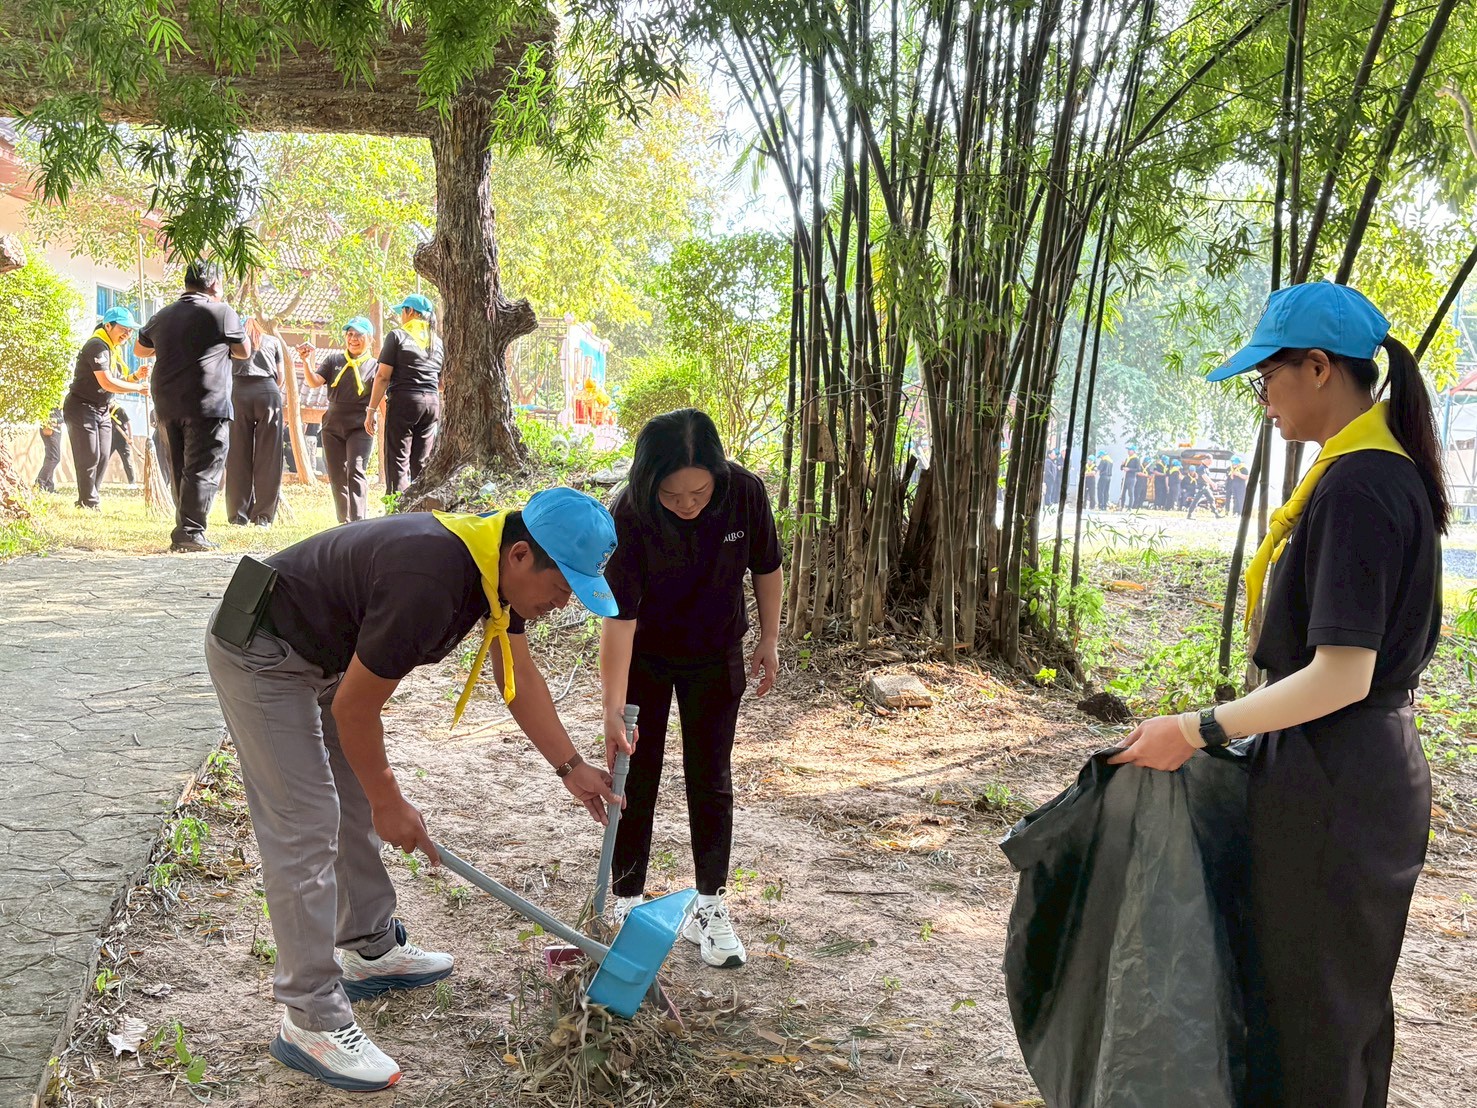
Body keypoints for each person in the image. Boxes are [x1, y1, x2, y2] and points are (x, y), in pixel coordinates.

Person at [1108, 281, 1446, 1108]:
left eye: (1266, 373)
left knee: (1312, 1022)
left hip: (1338, 778)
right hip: (1342, 768)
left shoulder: (1360, 487)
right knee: (1327, 1010)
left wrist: (1195, 729)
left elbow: (1341, 672)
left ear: (1320, 368)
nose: (1259, 393)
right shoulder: (1365, 473)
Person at [204, 487, 626, 1092]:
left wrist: (570, 767)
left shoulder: (487, 564)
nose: (564, 603)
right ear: (522, 556)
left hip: (319, 652)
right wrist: (389, 802)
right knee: (306, 825)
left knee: (346, 802)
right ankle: (310, 1016)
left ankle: (368, 948)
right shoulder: (431, 579)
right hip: (263, 652)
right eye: (563, 587)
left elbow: (518, 677)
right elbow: (356, 710)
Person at [598, 409, 783, 969]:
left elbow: (767, 568)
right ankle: (626, 900)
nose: (687, 504)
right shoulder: (628, 512)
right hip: (645, 656)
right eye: (673, 495)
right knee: (636, 772)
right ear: (649, 482)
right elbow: (618, 619)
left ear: (717, 476)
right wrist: (611, 708)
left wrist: (770, 639)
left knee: (711, 773)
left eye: (698, 491)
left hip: (715, 651)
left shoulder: (744, 493)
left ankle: (711, 904)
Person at [135, 260, 250, 552]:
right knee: (203, 466)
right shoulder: (222, 312)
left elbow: (140, 349)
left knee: (179, 466)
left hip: (166, 400)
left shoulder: (163, 315)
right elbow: (244, 351)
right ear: (214, 284)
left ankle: (184, 528)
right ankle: (190, 531)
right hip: (206, 400)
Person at [64, 307, 149, 510]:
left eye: (130, 331)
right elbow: (107, 383)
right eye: (123, 329)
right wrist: (138, 388)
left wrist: (136, 377)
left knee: (102, 456)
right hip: (81, 406)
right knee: (89, 455)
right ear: (108, 325)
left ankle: (89, 497)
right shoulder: (97, 345)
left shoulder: (112, 349)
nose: (127, 335)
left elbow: (117, 381)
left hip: (103, 409)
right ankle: (88, 502)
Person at [301, 318, 378, 523]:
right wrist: (306, 362)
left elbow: (383, 398)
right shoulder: (333, 360)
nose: (353, 339)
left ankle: (358, 520)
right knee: (336, 475)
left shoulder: (375, 366)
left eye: (359, 335)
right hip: (333, 424)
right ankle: (343, 522)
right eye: (350, 334)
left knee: (356, 469)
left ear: (370, 339)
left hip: (361, 425)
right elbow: (314, 382)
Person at [367, 294, 442, 496]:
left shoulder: (397, 336)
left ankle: (396, 510)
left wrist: (371, 409)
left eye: (402, 311)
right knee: (421, 460)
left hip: (405, 401)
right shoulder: (437, 342)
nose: (401, 316)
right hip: (432, 403)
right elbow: (441, 382)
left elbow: (382, 376)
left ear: (410, 312)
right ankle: (419, 507)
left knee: (398, 459)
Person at [226, 317, 285, 527]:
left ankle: (238, 515)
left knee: (237, 455)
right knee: (269, 456)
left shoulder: (231, 342)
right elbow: (281, 378)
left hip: (238, 392)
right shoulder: (273, 341)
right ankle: (263, 517)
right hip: (268, 392)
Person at [105, 403, 136, 485]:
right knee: (104, 459)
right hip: (111, 439)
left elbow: (129, 423)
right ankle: (97, 481)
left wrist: (130, 437)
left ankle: (132, 483)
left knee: (127, 461)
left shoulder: (120, 410)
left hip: (122, 439)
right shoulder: (106, 410)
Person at [33, 407, 63, 492]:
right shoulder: (51, 396)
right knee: (54, 458)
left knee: (50, 458)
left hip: (55, 428)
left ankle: (48, 486)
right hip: (51, 427)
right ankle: (39, 483)